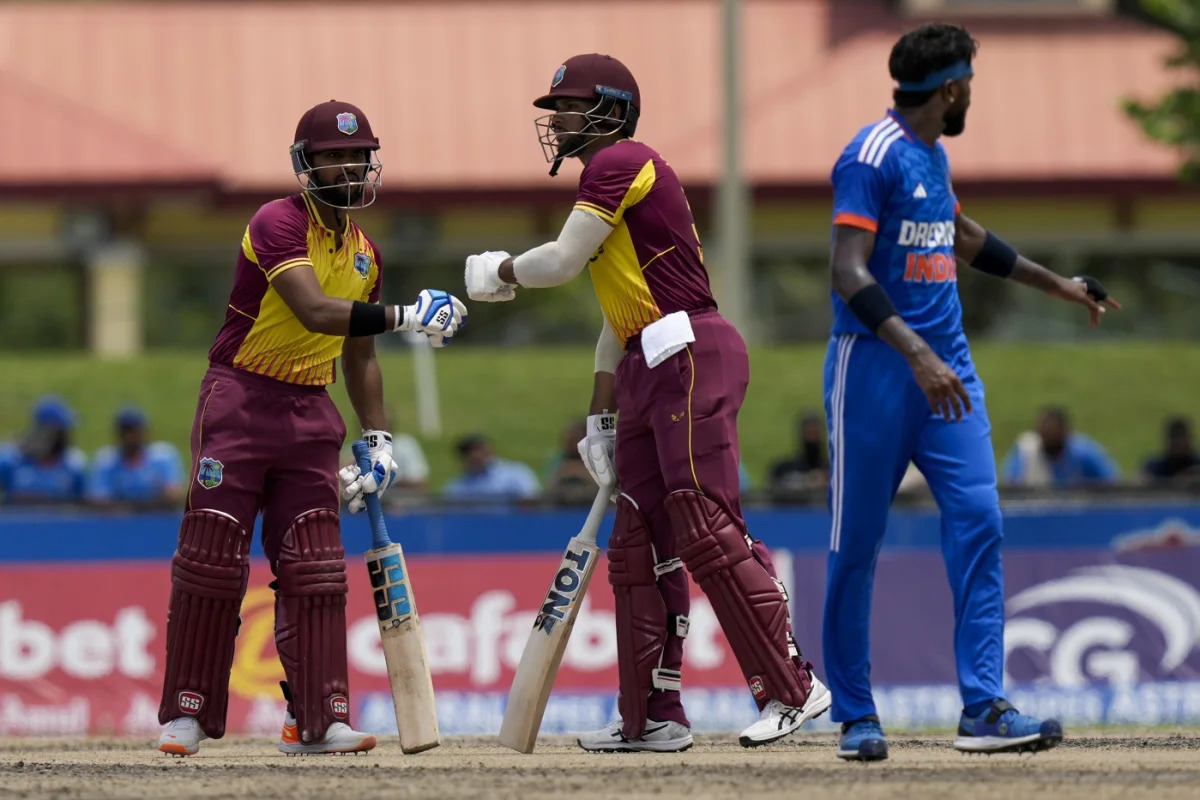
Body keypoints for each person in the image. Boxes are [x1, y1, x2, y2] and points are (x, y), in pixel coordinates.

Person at [464, 53, 830, 752]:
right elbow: (616, 316)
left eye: (567, 107)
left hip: (691, 351)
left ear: (610, 110)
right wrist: (603, 415)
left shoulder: (623, 160)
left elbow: (562, 262)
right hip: (647, 359)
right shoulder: (605, 188)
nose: (557, 121)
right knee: (636, 544)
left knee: (702, 523)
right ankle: (652, 717)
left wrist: (501, 269)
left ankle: (792, 687)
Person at [824, 24, 1120, 761]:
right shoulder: (871, 156)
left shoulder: (933, 155)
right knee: (856, 544)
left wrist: (1057, 284)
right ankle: (856, 715)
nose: (971, 98)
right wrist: (918, 355)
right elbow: (848, 272)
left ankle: (983, 707)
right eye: (971, 85)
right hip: (877, 369)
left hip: (948, 371)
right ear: (951, 87)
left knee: (981, 521)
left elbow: (959, 235)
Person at [156, 99, 466, 758]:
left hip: (309, 413)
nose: (349, 166)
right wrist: (411, 313)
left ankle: (318, 720)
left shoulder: (365, 254)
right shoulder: (276, 221)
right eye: (334, 156)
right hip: (240, 400)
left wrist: (379, 440)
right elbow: (317, 312)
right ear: (306, 165)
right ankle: (187, 712)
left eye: (358, 155)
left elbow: (359, 355)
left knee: (317, 570)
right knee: (213, 561)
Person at [87, 406, 186, 508]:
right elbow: (97, 499)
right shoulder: (106, 462)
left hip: (157, 519)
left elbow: (175, 494)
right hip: (120, 522)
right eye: (125, 432)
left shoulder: (164, 457)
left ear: (145, 432)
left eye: (134, 432)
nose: (130, 437)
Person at [1000, 407, 1120, 488]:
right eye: (1045, 431)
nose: (1049, 435)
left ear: (1065, 431)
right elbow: (1010, 485)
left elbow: (1111, 482)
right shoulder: (1025, 451)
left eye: (1053, 431)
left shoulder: (1082, 452)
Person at [0, 396, 87, 505]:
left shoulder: (73, 466)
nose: (66, 437)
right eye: (61, 431)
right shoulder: (12, 461)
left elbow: (82, 505)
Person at [442, 434, 541, 502]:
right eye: (469, 453)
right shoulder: (458, 485)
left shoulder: (516, 474)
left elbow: (531, 502)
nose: (476, 455)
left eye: (480, 450)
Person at [768, 413, 830, 493]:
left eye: (815, 433)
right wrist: (807, 480)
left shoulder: (832, 471)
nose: (812, 439)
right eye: (809, 433)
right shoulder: (782, 469)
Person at [1142, 416, 1200, 482]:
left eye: (1181, 437)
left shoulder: (1197, 464)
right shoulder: (1155, 467)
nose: (1178, 442)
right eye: (1175, 437)